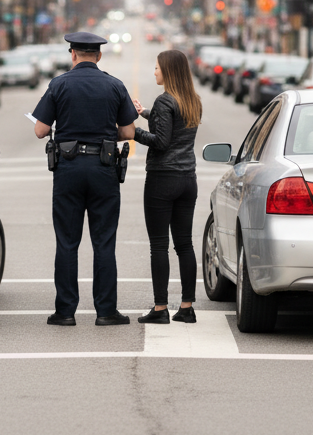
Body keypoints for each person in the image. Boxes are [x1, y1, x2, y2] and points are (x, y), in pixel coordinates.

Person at [32, 31, 138, 327]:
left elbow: (40, 130)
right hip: (104, 169)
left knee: (67, 242)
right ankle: (106, 312)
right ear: (99, 55)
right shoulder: (115, 85)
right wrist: (104, 134)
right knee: (104, 242)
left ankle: (65, 312)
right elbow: (128, 132)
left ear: (73, 54)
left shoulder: (59, 84)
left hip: (68, 170)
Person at [131, 50, 202, 325]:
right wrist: (145, 113)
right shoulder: (193, 101)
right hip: (188, 179)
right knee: (184, 244)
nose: (154, 71)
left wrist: (132, 130)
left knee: (159, 245)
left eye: (158, 67)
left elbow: (161, 141)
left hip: (163, 179)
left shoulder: (164, 100)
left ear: (169, 71)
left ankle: (160, 308)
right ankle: (187, 307)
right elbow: (173, 127)